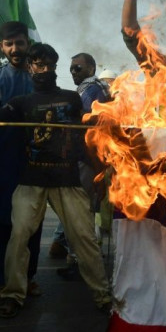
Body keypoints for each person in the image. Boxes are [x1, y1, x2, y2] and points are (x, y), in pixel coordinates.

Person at [0, 43, 112, 318]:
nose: (44, 69)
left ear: (55, 66)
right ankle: (14, 294)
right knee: (18, 238)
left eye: (49, 64)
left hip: (66, 180)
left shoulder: (71, 99)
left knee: (85, 239)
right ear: (30, 67)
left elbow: (80, 141)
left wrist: (99, 166)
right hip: (31, 180)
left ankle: (102, 296)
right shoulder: (22, 103)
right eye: (39, 64)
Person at [0, 21, 42, 297]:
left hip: (33, 159)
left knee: (31, 221)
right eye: (9, 44)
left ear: (27, 43)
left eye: (19, 42)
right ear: (1, 47)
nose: (15, 48)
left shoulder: (40, 76)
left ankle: (27, 278)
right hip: (0, 158)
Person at [52, 52, 112, 274]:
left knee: (80, 213)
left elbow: (82, 121)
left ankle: (80, 261)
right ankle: (80, 258)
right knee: (84, 212)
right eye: (71, 69)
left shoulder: (91, 90)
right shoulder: (93, 89)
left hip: (87, 158)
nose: (73, 72)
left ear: (91, 68)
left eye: (78, 68)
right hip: (91, 158)